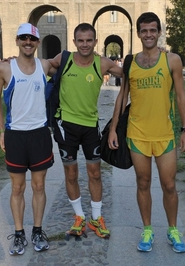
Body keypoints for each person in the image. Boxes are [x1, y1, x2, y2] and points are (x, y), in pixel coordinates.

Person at [107, 12, 185, 253]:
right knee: (142, 182)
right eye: (144, 30)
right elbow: (122, 97)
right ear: (138, 33)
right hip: (137, 134)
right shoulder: (130, 61)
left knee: (169, 185)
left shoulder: (172, 60)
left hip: (164, 134)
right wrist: (114, 129)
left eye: (153, 30)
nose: (149, 34)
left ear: (159, 31)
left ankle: (173, 229)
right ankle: (147, 229)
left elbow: (181, 95)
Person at [48, 23, 122, 239]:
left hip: (90, 126)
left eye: (89, 40)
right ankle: (79, 217)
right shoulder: (64, 60)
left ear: (95, 42)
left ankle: (96, 219)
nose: (85, 44)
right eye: (80, 40)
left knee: (95, 173)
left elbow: (131, 73)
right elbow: (41, 65)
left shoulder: (103, 63)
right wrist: (14, 62)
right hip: (65, 126)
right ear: (74, 42)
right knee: (71, 173)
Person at [0, 22, 56, 255]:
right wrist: (1, 130)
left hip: (39, 134)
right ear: (17, 41)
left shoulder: (45, 65)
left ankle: (37, 231)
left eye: (32, 38)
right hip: (15, 135)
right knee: (17, 188)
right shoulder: (4, 68)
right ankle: (19, 234)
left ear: (38, 42)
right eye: (23, 38)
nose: (28, 42)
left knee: (39, 186)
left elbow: (72, 61)